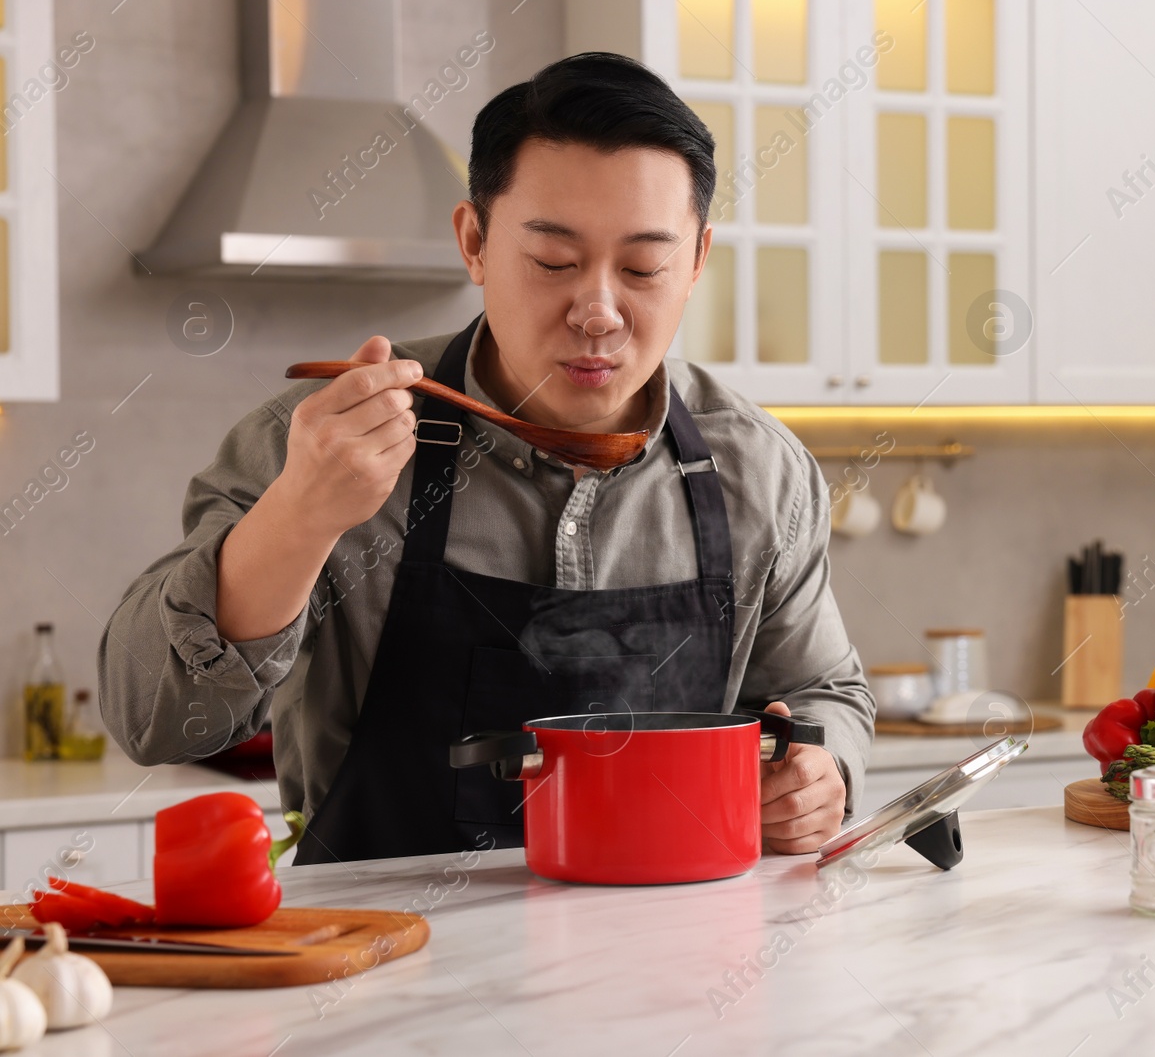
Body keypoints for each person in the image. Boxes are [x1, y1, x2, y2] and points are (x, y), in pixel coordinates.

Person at [100, 53, 874, 863]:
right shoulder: (320, 442)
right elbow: (151, 720)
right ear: (474, 242)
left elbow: (828, 694)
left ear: (698, 261)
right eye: (553, 262)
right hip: (389, 969)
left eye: (644, 267)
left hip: (677, 961)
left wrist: (824, 773)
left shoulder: (760, 470)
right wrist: (298, 517)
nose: (599, 312)